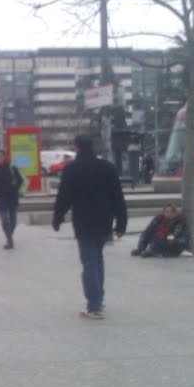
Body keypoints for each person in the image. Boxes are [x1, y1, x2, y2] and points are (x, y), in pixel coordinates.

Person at [52, 135, 128, 320]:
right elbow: (118, 197)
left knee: (89, 262)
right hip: (104, 221)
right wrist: (121, 223)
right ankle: (98, 300)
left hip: (83, 221)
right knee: (97, 259)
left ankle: (94, 305)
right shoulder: (107, 168)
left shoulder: (72, 170)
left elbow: (64, 197)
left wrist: (58, 217)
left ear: (77, 148)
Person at [0, 149, 24, 249]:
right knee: (4, 220)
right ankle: (10, 240)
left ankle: (9, 236)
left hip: (12, 198)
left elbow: (20, 181)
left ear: (4, 157)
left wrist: (14, 189)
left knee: (13, 222)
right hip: (1, 199)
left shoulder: (12, 168)